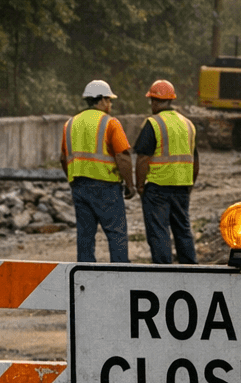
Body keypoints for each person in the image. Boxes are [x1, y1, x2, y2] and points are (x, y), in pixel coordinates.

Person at [60, 80, 136, 262]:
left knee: (85, 236)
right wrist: (130, 185)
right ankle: (120, 275)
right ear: (101, 100)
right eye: (109, 100)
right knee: (116, 234)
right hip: (106, 187)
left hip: (79, 186)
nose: (110, 104)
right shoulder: (110, 123)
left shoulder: (70, 124)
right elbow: (123, 156)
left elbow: (63, 159)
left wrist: (72, 180)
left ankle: (85, 278)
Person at [133, 78, 199, 264]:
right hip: (182, 187)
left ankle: (163, 273)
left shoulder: (153, 123)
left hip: (157, 188)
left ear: (154, 101)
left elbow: (143, 158)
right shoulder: (188, 124)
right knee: (183, 231)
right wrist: (190, 185)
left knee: (159, 232)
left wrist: (139, 186)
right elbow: (195, 160)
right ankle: (191, 270)